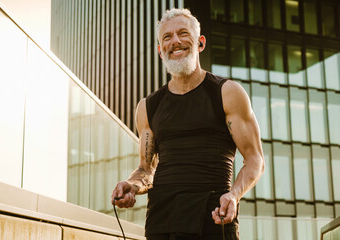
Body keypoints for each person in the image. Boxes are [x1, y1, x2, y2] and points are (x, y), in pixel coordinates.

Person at [111, 8, 264, 240]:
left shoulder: (227, 93)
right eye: (167, 37)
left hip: (213, 219)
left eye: (183, 33)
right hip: (161, 222)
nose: (175, 41)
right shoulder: (148, 106)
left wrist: (234, 195)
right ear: (160, 51)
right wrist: (131, 185)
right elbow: (146, 169)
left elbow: (255, 160)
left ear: (200, 43)